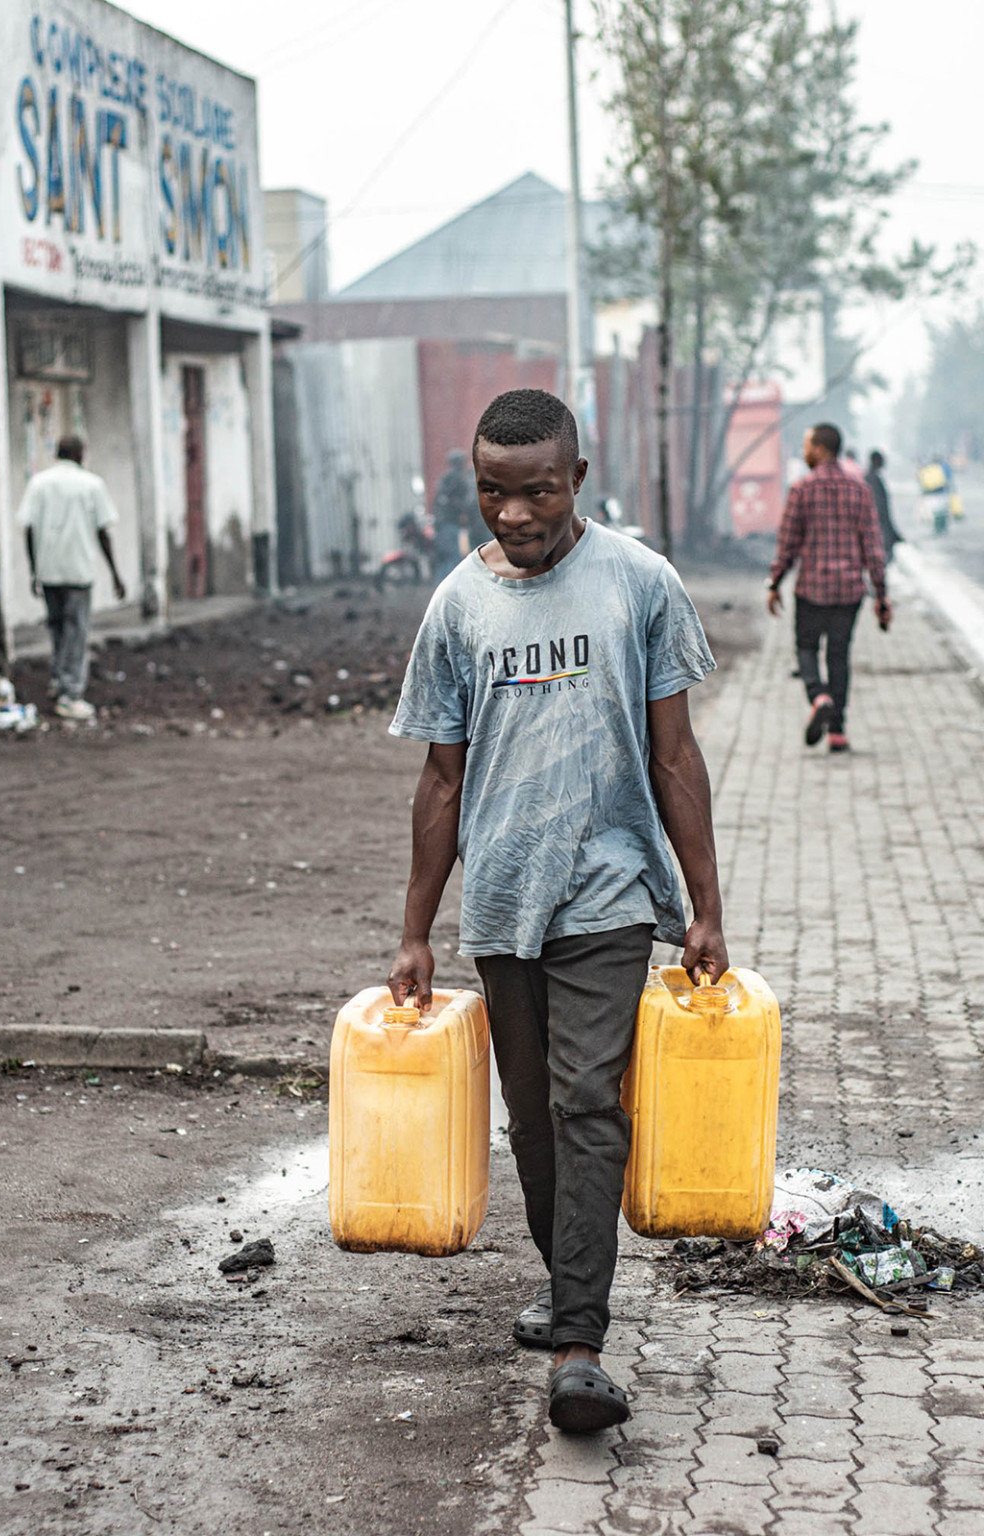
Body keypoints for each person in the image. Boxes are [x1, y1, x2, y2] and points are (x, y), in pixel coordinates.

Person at [387, 389, 728, 1433]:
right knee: (532, 1122)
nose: (515, 515)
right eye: (494, 493)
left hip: (610, 889)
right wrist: (413, 932)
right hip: (502, 898)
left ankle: (579, 1343)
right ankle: (565, 1285)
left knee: (587, 1102)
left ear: (575, 480)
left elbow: (674, 756)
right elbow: (441, 782)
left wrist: (705, 906)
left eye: (536, 492)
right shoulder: (457, 606)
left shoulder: (639, 584)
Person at [767, 423, 890, 754]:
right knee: (839, 656)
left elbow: (788, 544)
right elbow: (872, 545)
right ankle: (837, 732)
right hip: (849, 591)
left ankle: (818, 695)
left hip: (811, 589)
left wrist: (775, 582)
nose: (805, 451)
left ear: (821, 448)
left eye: (808, 445)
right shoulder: (859, 490)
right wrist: (881, 592)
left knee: (806, 648)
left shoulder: (801, 489)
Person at [19, 435, 125, 721]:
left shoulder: (39, 483)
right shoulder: (91, 484)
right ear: (80, 454)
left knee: (57, 627)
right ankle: (70, 694)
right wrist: (115, 573)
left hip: (49, 569)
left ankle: (59, 679)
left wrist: (33, 569)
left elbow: (28, 529)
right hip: (78, 570)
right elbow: (103, 532)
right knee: (76, 631)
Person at [431, 449, 481, 583]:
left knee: (445, 558)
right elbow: (462, 501)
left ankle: (442, 585)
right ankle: (452, 586)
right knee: (454, 557)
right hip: (451, 525)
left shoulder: (445, 479)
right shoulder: (456, 478)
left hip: (443, 525)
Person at [865, 450, 902, 563]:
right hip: (879, 527)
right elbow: (879, 507)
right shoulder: (872, 479)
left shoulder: (873, 478)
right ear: (876, 461)